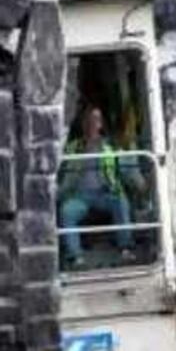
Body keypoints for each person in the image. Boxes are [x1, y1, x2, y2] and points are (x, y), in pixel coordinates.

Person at [59, 105, 135, 268]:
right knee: (67, 211)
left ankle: (125, 248)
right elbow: (66, 174)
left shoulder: (111, 145)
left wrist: (140, 184)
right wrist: (59, 194)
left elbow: (128, 167)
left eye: (97, 119)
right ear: (83, 123)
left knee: (121, 202)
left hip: (105, 193)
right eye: (90, 119)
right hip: (80, 196)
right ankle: (76, 256)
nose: (94, 122)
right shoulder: (73, 146)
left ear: (101, 123)